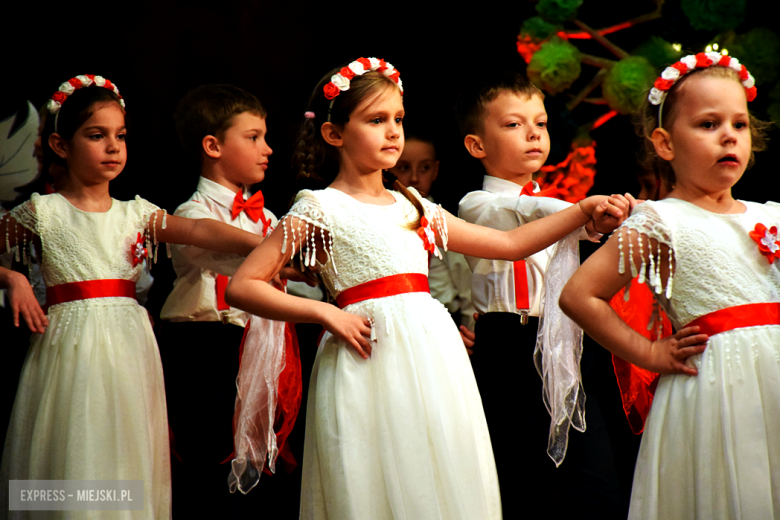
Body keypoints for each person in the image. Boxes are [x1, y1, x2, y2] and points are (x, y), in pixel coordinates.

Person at [224, 57, 628, 519]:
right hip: (367, 358)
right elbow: (245, 285)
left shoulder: (415, 205)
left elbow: (510, 243)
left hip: (433, 358)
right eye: (376, 120)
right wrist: (325, 313)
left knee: (437, 471)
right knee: (372, 473)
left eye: (397, 118)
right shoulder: (320, 207)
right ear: (334, 134)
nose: (393, 131)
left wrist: (581, 211)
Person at [0, 75, 267, 519]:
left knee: (123, 444)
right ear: (60, 145)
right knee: (77, 442)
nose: (113, 147)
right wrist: (12, 278)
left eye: (120, 136)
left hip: (129, 346)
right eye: (96, 135)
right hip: (72, 347)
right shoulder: (42, 212)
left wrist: (265, 244)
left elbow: (200, 229)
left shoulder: (136, 213)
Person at [560, 52, 776, 519]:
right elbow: (579, 295)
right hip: (717, 390)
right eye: (707, 124)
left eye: (739, 124)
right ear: (664, 143)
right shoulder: (662, 220)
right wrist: (649, 353)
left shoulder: (772, 216)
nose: (728, 136)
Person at [455, 70, 627, 517]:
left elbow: (579, 228)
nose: (533, 133)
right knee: (520, 481)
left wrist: (603, 217)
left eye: (541, 123)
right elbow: (525, 213)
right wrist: (581, 210)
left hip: (564, 345)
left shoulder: (558, 207)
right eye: (513, 125)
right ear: (477, 145)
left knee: (599, 486)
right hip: (509, 344)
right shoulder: (476, 204)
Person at [157, 84, 304, 516]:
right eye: (254, 137)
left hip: (260, 347)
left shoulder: (270, 218)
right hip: (206, 348)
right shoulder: (190, 214)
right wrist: (277, 248)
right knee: (210, 462)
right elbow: (219, 245)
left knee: (262, 462)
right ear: (213, 145)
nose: (268, 149)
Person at [387, 131, 476, 333]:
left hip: (443, 324)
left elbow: (467, 288)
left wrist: (469, 332)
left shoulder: (443, 222)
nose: (415, 177)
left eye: (425, 168)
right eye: (404, 168)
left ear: (436, 170)